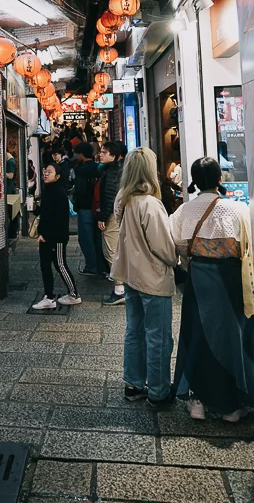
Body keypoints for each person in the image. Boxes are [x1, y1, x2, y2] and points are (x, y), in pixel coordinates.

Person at [171, 157, 254, 422]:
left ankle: (197, 399)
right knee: (234, 337)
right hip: (232, 280)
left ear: (194, 180)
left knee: (197, 335)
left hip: (199, 279)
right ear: (220, 179)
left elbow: (176, 245)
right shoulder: (237, 209)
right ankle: (233, 403)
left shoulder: (185, 211)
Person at [112, 148, 177, 409]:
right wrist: (176, 258)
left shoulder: (123, 199)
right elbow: (164, 247)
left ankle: (133, 383)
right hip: (152, 277)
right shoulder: (150, 203)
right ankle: (159, 391)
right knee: (158, 336)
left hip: (130, 274)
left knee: (134, 331)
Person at [32, 162, 81, 309]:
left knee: (60, 265)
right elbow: (45, 213)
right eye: (45, 171)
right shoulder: (48, 190)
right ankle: (49, 297)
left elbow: (58, 219)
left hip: (57, 237)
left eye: (50, 172)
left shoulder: (59, 193)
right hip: (47, 236)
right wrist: (34, 208)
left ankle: (74, 295)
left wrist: (45, 234)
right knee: (45, 266)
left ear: (58, 176)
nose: (46, 173)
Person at [98, 141, 125, 305]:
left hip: (113, 216)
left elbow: (110, 196)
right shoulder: (118, 169)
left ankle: (120, 288)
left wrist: (103, 216)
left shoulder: (113, 172)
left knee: (111, 249)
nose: (100, 154)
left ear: (114, 155)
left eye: (104, 152)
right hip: (119, 214)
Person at [73, 142, 106, 276]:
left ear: (81, 154)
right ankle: (101, 266)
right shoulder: (99, 168)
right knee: (98, 238)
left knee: (86, 238)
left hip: (86, 207)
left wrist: (76, 204)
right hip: (98, 207)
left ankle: (91, 266)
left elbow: (80, 191)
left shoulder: (82, 170)